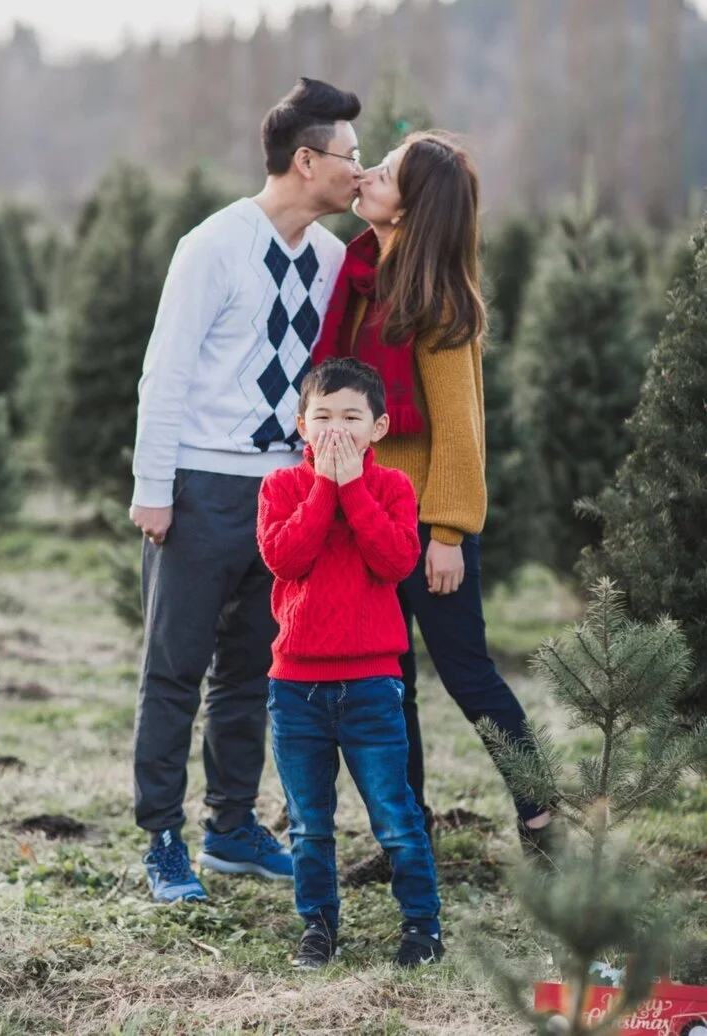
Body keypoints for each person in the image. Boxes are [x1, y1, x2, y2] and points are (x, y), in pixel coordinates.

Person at [129, 77, 363, 903]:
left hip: (284, 495)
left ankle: (230, 829)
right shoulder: (213, 246)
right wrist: (153, 486)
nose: (360, 170)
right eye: (350, 155)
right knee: (174, 669)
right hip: (200, 486)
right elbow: (165, 372)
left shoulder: (331, 259)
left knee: (251, 674)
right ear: (306, 161)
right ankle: (162, 837)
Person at [312, 131, 555, 882]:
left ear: (411, 210)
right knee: (389, 684)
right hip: (366, 515)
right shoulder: (360, 277)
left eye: (385, 174)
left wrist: (447, 532)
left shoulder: (438, 303)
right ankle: (405, 840)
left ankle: (543, 821)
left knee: (468, 675)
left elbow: (459, 431)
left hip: (424, 524)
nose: (368, 175)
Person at [257, 356, 444, 969]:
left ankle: (422, 927)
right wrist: (323, 488)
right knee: (309, 823)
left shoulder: (393, 488)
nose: (336, 429)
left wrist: (353, 489)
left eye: (351, 417)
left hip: (371, 684)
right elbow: (286, 558)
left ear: (378, 427)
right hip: (297, 688)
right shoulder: (280, 487)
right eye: (323, 417)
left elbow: (395, 561)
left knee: (394, 816)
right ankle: (318, 928)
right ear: (301, 425)